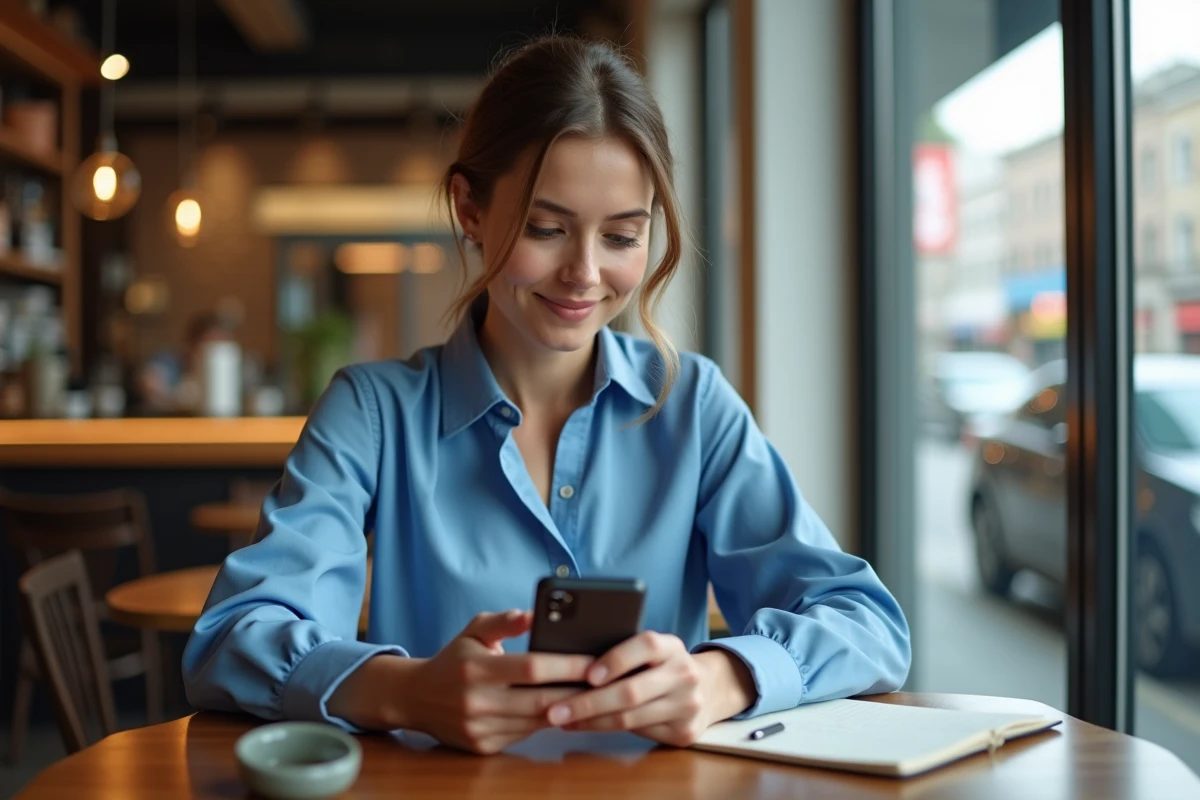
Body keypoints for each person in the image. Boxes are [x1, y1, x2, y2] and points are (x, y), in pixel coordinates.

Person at [183, 35, 910, 755]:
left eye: (623, 237)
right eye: (546, 229)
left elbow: (867, 624)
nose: (585, 274)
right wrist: (405, 691)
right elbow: (230, 640)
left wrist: (722, 677)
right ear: (470, 209)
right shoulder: (373, 413)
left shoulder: (695, 406)